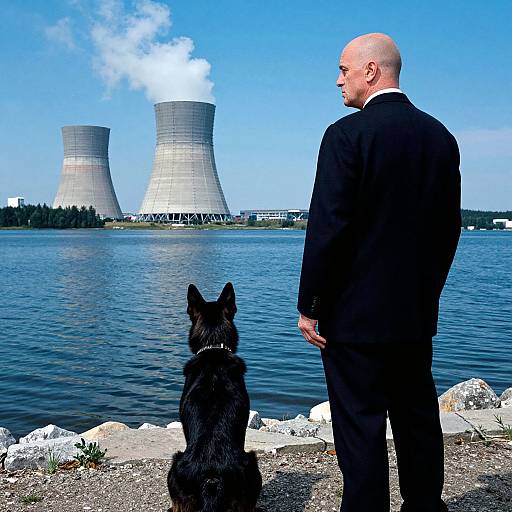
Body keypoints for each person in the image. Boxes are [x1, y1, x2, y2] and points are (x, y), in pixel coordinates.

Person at [297, 33, 461, 512]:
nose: (338, 79)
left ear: (371, 71)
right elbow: (448, 230)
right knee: (417, 419)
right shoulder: (440, 137)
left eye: (344, 69)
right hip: (413, 317)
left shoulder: (345, 136)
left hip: (354, 322)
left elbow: (328, 228)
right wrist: (426, 293)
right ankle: (426, 506)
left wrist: (310, 305)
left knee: (360, 428)